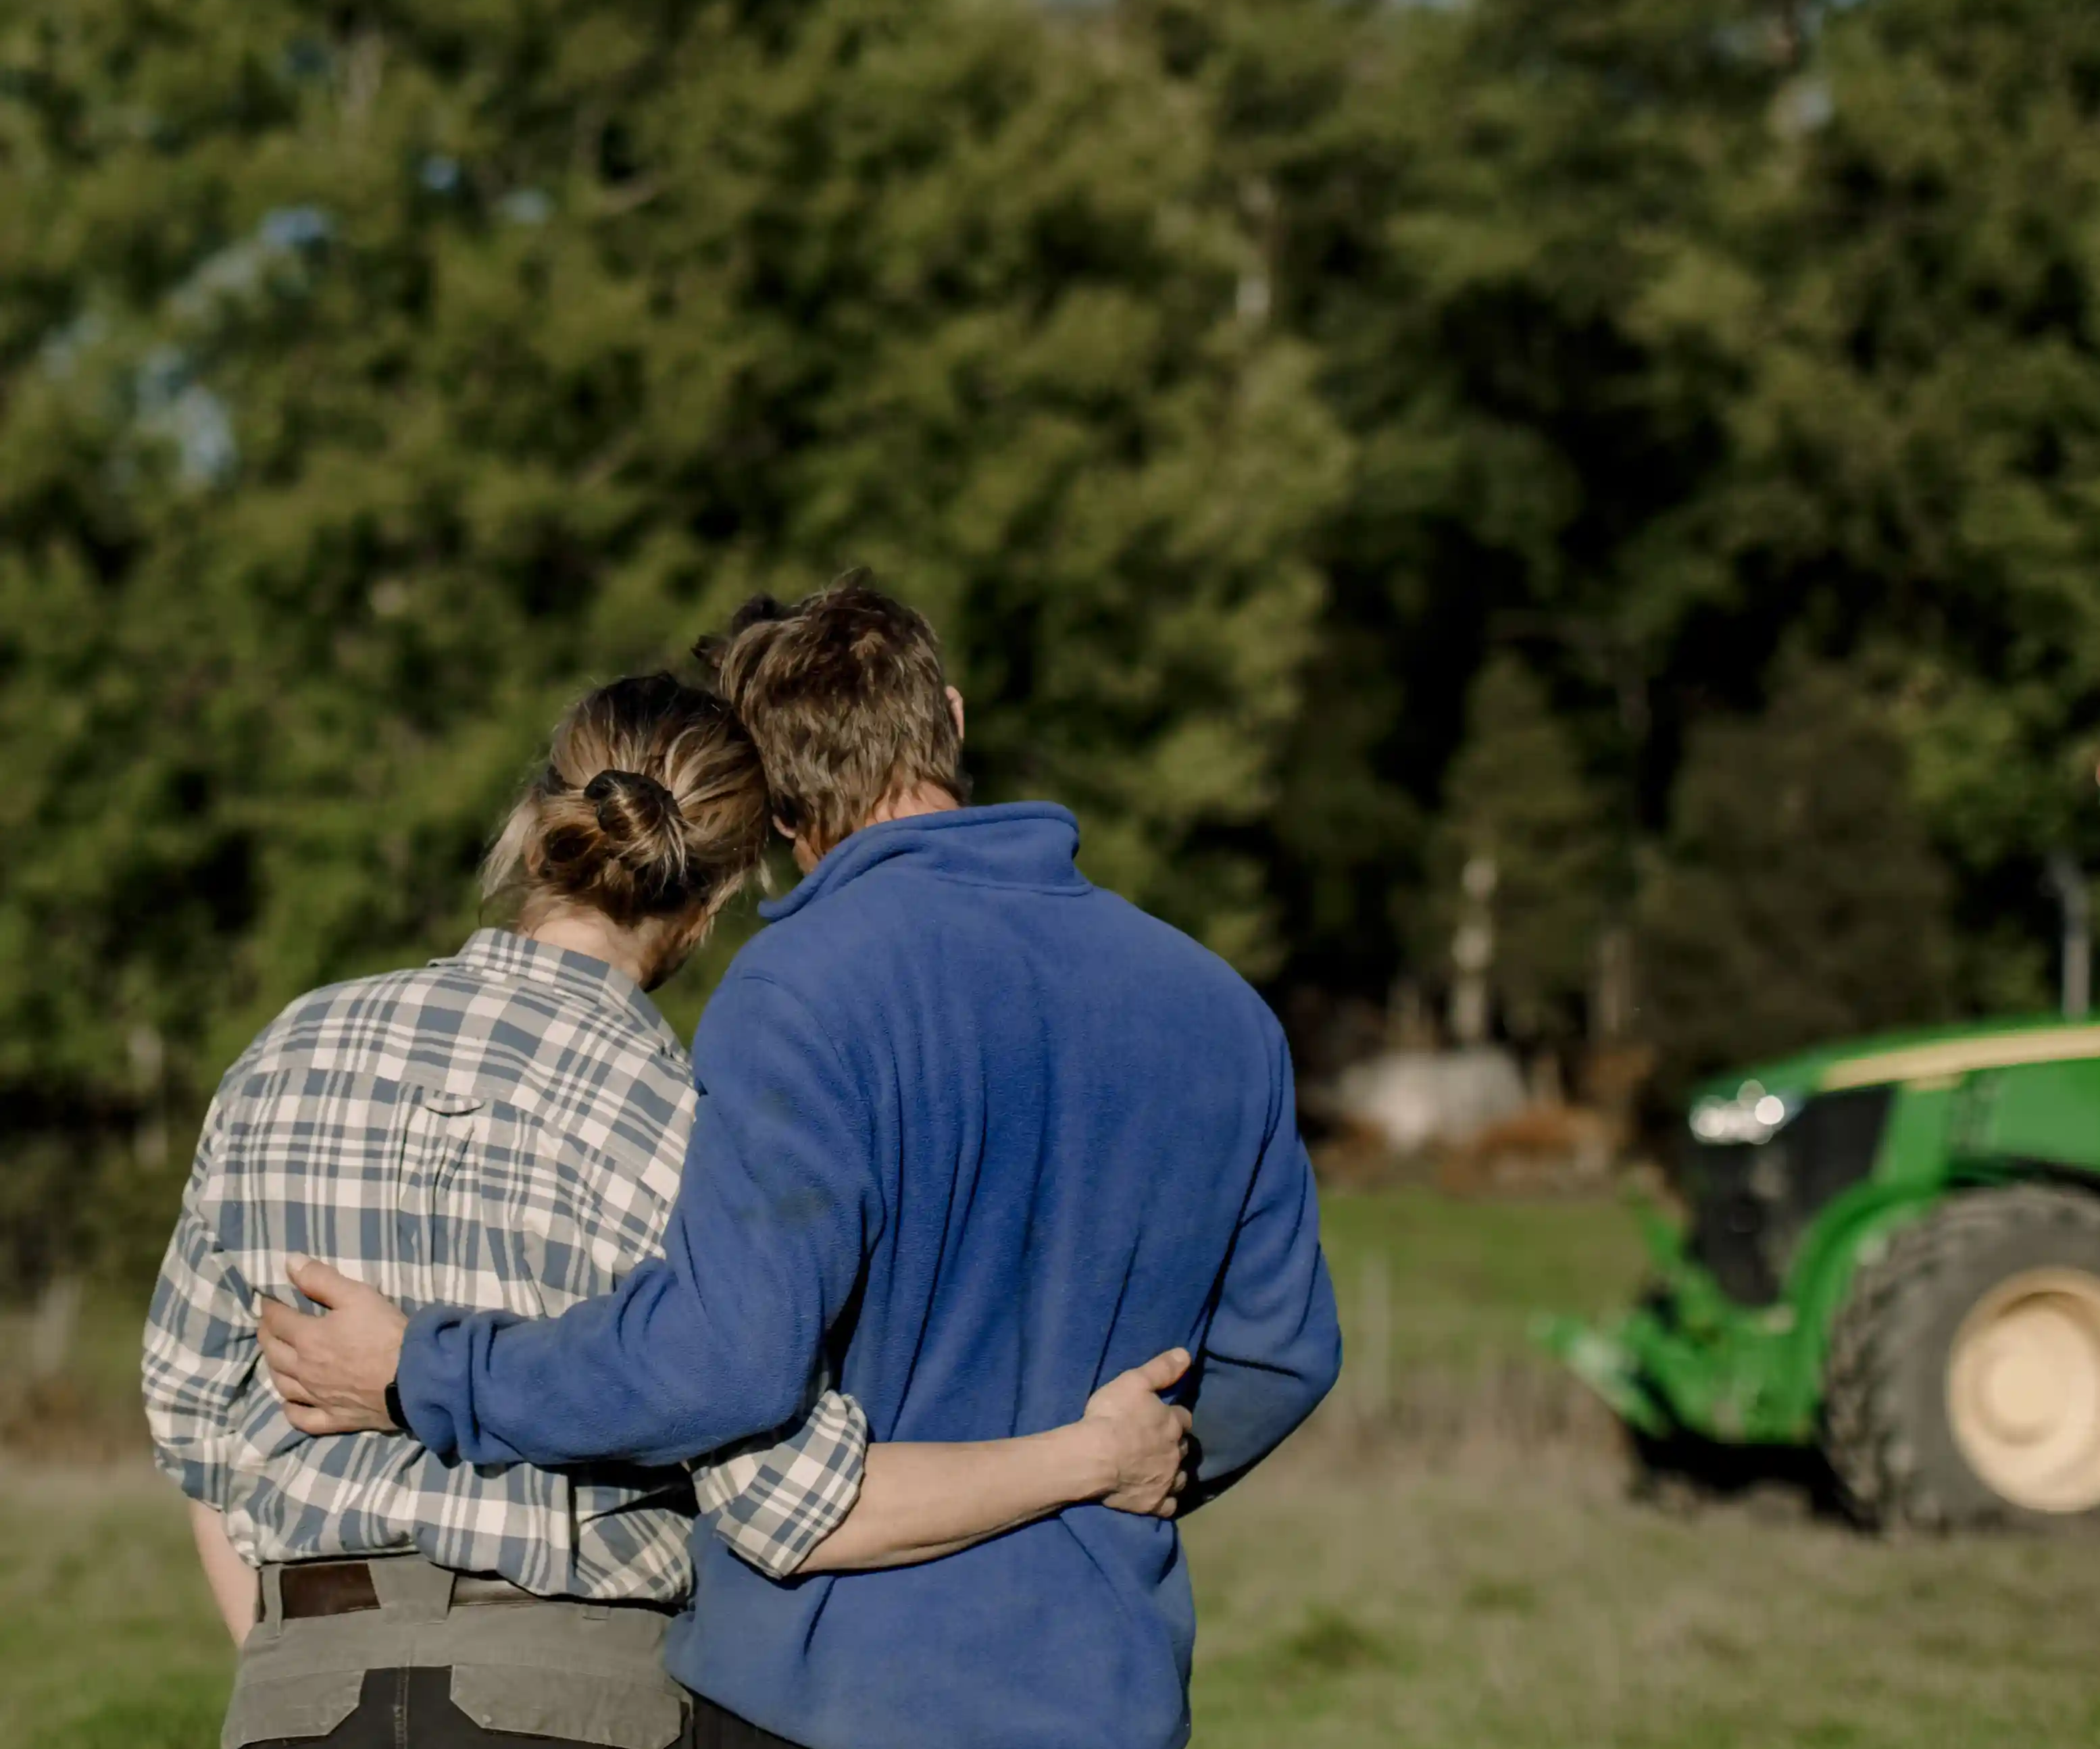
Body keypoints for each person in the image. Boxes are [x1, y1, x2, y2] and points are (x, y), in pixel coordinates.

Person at [259, 578, 1343, 1749]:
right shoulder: (1218, 1009)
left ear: (772, 807)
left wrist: (426, 1369)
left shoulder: (799, 992)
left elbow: (727, 1361)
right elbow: (1284, 1354)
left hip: (828, 1694)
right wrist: (1137, 1464)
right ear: (955, 721)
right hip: (1106, 1694)